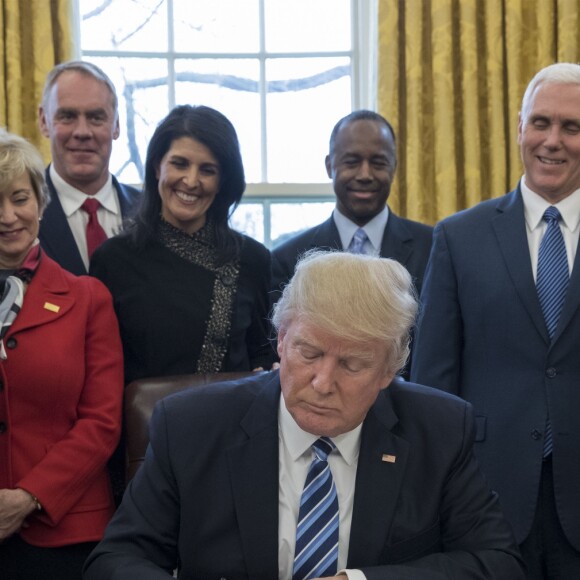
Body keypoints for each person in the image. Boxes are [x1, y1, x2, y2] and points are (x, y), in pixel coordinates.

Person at [83, 251, 524, 580]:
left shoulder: (439, 430)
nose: (322, 382)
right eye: (308, 353)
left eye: (352, 364)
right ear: (280, 340)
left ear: (390, 369)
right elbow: (116, 560)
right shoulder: (192, 425)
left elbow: (496, 563)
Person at [411, 62, 580, 578]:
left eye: (572, 127)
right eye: (540, 123)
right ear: (519, 130)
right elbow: (431, 382)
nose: (552, 141)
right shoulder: (459, 236)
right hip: (484, 493)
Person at [0, 130, 124, 579]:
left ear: (40, 202)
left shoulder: (87, 298)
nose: (8, 216)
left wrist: (29, 496)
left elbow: (102, 422)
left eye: (19, 198)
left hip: (64, 528)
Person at [90, 104, 274, 385]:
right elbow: (99, 368)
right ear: (156, 167)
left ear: (223, 181)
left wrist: (266, 371)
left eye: (207, 170)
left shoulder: (253, 259)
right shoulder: (113, 260)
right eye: (180, 164)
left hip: (231, 423)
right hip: (144, 425)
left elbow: (264, 350)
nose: (191, 181)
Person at [272, 110, 433, 299]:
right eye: (351, 162)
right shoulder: (287, 260)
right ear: (329, 166)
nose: (365, 175)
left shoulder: (431, 248)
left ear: (393, 168)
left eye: (378, 163)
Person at [38, 60, 140, 276]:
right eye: (67, 116)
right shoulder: (17, 217)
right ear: (43, 121)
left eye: (96, 117)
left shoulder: (153, 213)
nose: (82, 132)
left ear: (117, 125)